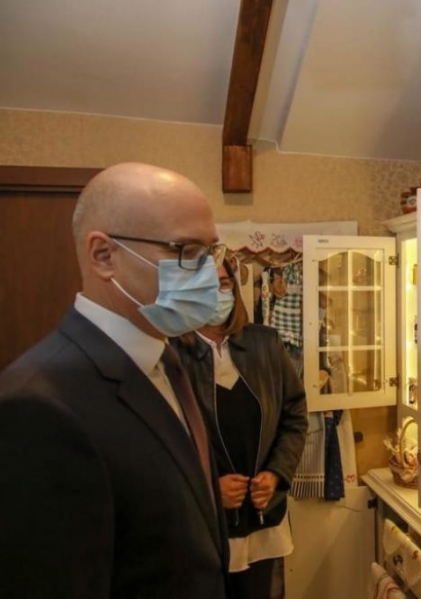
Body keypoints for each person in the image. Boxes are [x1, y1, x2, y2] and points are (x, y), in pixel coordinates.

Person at [0, 163, 231, 598]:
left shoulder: (169, 359)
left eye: (210, 253)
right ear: (104, 255)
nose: (207, 275)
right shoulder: (37, 406)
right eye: (186, 251)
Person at [171, 256, 307, 599]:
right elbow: (162, 445)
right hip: (206, 523)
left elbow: (294, 415)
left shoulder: (265, 343)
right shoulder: (171, 355)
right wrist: (208, 490)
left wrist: (276, 474)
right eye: (205, 285)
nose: (218, 292)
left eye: (224, 283)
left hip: (264, 517)